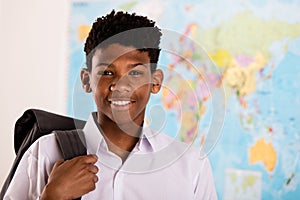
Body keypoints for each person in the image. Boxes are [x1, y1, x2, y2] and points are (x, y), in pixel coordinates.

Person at [3, 10, 217, 200]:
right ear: (87, 81)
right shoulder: (46, 152)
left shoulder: (191, 166)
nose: (121, 85)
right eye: (107, 72)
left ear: (156, 82)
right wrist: (53, 196)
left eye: (135, 73)